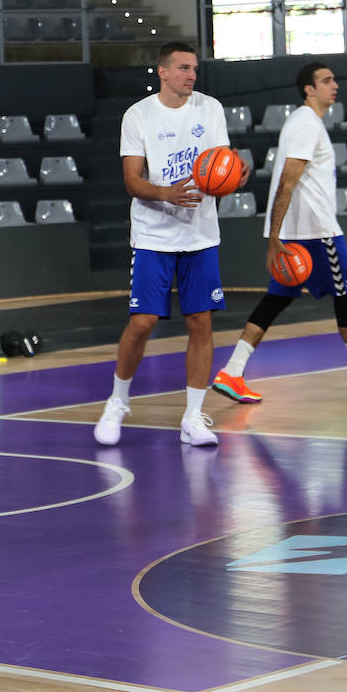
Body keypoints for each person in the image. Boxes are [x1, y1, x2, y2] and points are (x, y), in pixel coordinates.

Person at [211, 61, 347, 404]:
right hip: (316, 233)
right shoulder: (306, 124)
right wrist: (274, 238)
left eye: (334, 79)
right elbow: (288, 181)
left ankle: (232, 371)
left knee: (276, 299)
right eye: (326, 80)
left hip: (297, 231)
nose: (335, 85)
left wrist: (277, 236)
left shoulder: (303, 122)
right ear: (309, 89)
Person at [93, 40, 232, 448]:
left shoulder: (211, 109)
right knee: (142, 323)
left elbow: (221, 163)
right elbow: (132, 181)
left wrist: (231, 176)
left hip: (201, 234)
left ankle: (192, 417)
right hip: (154, 234)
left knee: (201, 323)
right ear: (163, 72)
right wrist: (165, 193)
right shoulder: (138, 115)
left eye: (194, 68)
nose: (192, 75)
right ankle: (117, 402)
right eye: (184, 68)